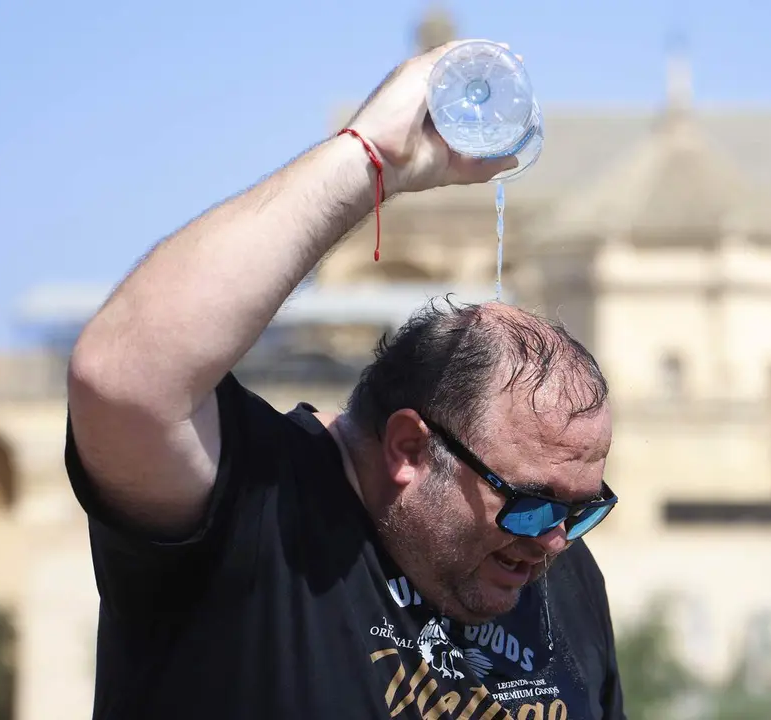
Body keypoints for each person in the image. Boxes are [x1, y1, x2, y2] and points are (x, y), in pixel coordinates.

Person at [64, 38, 626, 720]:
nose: (555, 540)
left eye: (581, 510)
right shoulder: (263, 516)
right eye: (533, 503)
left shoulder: (557, 573)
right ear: (411, 450)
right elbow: (121, 375)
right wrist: (369, 160)